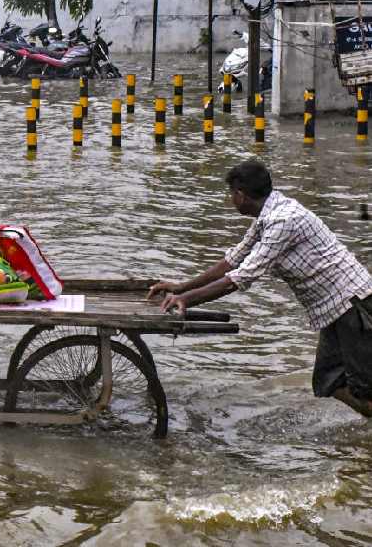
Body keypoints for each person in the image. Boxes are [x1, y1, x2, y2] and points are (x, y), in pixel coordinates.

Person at [147, 158, 372, 418]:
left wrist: (186, 300)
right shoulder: (267, 216)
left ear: (241, 195)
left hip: (353, 305)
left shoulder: (283, 221)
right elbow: (233, 260)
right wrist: (181, 288)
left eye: (231, 194)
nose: (231, 199)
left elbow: (241, 277)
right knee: (328, 380)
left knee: (363, 389)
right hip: (334, 310)